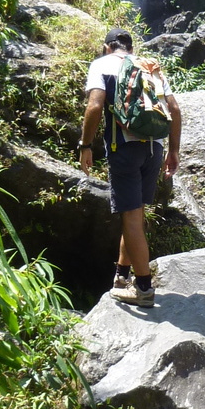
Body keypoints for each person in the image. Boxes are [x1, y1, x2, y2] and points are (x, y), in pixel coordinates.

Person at [78, 27, 181, 308]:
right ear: (131, 49)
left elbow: (95, 106)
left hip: (123, 148)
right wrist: (173, 151)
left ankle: (144, 288)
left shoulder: (101, 64)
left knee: (131, 217)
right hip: (154, 148)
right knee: (134, 215)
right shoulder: (148, 67)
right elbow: (175, 109)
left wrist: (85, 146)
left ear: (106, 46)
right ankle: (121, 277)